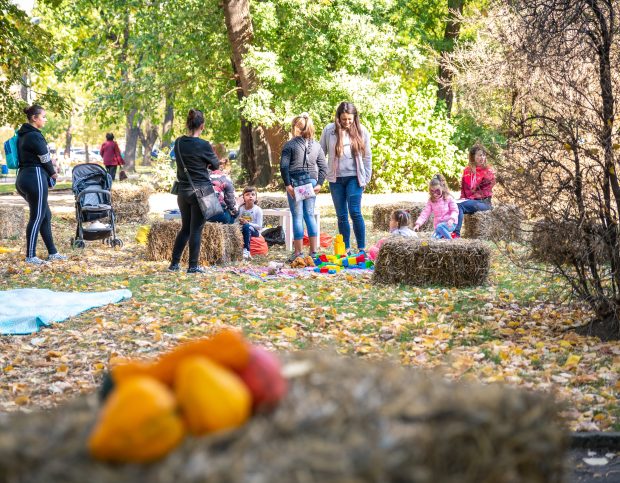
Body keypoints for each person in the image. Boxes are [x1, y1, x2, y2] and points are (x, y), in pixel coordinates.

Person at [168, 109, 220, 274]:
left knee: (185, 228)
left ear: (187, 124)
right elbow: (216, 165)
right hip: (201, 192)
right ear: (202, 126)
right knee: (196, 229)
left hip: (183, 191)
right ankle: (193, 266)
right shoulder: (204, 145)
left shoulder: (178, 142)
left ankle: (174, 264)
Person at [15, 105, 67, 265]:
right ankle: (30, 256)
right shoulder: (34, 136)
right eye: (43, 116)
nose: (45, 119)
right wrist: (53, 173)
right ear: (34, 118)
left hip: (23, 178)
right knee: (37, 217)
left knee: (45, 215)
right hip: (34, 177)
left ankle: (53, 252)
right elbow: (44, 158)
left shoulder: (23, 135)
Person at [320, 102, 372, 254]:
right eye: (344, 119)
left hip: (354, 178)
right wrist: (319, 176)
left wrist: (366, 178)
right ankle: (345, 249)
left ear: (355, 117)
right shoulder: (329, 130)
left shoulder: (362, 131)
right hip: (335, 179)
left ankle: (361, 248)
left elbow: (367, 157)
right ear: (338, 118)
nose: (347, 122)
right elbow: (320, 153)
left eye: (350, 119)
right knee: (341, 214)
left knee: (355, 211)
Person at [280, 113, 327, 261]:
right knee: (309, 215)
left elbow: (284, 167)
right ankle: (313, 252)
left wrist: (288, 185)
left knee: (298, 216)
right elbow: (323, 167)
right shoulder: (317, 146)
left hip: (295, 182)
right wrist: (319, 183)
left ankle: (298, 253)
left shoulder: (290, 145)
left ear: (296, 128)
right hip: (311, 183)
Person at [453, 145, 496, 238]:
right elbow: (463, 189)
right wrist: (463, 199)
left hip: (483, 202)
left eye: (484, 155)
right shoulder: (467, 171)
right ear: (473, 157)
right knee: (453, 204)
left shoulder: (488, 170)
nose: (482, 158)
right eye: (479, 155)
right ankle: (445, 230)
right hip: (469, 200)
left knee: (459, 206)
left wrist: (468, 199)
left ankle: (455, 234)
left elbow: (485, 190)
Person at [413, 174, 459, 239]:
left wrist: (451, 219)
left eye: (437, 191)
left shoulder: (449, 198)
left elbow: (455, 210)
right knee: (433, 239)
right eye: (432, 191)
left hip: (450, 224)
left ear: (442, 188)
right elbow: (425, 213)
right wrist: (418, 224)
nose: (435, 194)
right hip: (438, 227)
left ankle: (450, 241)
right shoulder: (431, 201)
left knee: (440, 226)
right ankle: (442, 237)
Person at [237, 186, 263, 259]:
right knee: (244, 227)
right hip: (242, 228)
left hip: (255, 231)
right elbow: (236, 221)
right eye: (247, 195)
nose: (250, 196)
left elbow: (259, 226)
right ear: (243, 198)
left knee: (247, 227)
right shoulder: (241, 209)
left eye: (253, 195)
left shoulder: (258, 210)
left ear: (256, 198)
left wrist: (247, 223)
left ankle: (246, 250)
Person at [209, 157, 238, 224]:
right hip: (218, 212)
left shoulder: (205, 176)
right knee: (233, 218)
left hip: (202, 212)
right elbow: (230, 202)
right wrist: (236, 213)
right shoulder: (226, 178)